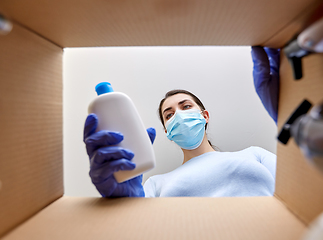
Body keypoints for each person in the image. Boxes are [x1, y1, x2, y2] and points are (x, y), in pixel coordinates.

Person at [83, 46, 280, 198]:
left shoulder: (255, 155)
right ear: (167, 131)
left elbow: (301, 189)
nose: (178, 115)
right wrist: (124, 203)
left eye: (186, 107)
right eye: (169, 115)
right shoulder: (155, 184)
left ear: (205, 116)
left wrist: (288, 119)